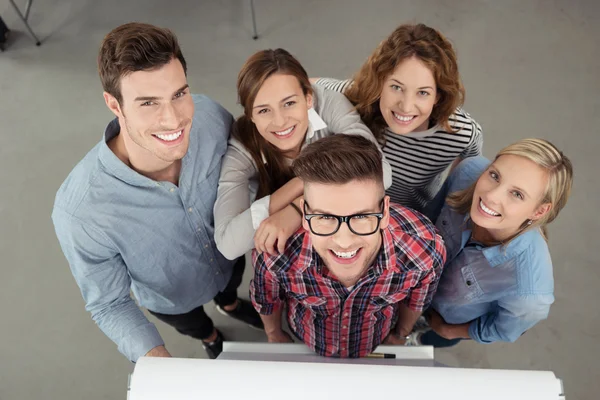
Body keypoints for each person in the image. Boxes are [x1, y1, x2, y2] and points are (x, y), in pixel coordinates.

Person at [51, 22, 262, 362]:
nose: (174, 119)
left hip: (229, 258)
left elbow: (247, 174)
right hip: (173, 300)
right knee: (193, 324)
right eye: (148, 103)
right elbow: (109, 302)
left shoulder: (209, 117)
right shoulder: (80, 211)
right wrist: (155, 358)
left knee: (229, 285)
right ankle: (210, 336)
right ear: (114, 105)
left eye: (179, 94)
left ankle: (230, 303)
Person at [250, 135, 446, 357]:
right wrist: (274, 333)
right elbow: (267, 300)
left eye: (362, 217)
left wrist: (400, 335)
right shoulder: (275, 254)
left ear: (384, 212)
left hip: (376, 337)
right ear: (305, 214)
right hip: (307, 336)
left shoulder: (425, 250)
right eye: (325, 217)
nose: (344, 241)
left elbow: (416, 301)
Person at [213, 48, 392, 261]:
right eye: (263, 110)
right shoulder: (242, 146)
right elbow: (228, 245)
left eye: (289, 103)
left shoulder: (328, 103)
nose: (280, 121)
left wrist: (297, 210)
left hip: (342, 226)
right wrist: (304, 182)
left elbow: (382, 172)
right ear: (250, 115)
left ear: (308, 99)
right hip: (280, 241)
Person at [412, 138, 573, 347]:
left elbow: (504, 329)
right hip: (407, 288)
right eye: (495, 175)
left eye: (517, 194)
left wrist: (448, 331)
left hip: (440, 320)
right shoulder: (467, 173)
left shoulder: (531, 291)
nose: (491, 196)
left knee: (424, 347)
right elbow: (425, 222)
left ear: (539, 211)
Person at [313, 23, 483, 219]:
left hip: (411, 221)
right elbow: (305, 88)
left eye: (423, 92)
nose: (406, 106)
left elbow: (468, 173)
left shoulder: (460, 133)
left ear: (438, 96)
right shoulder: (354, 99)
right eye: (396, 87)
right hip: (348, 215)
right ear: (380, 81)